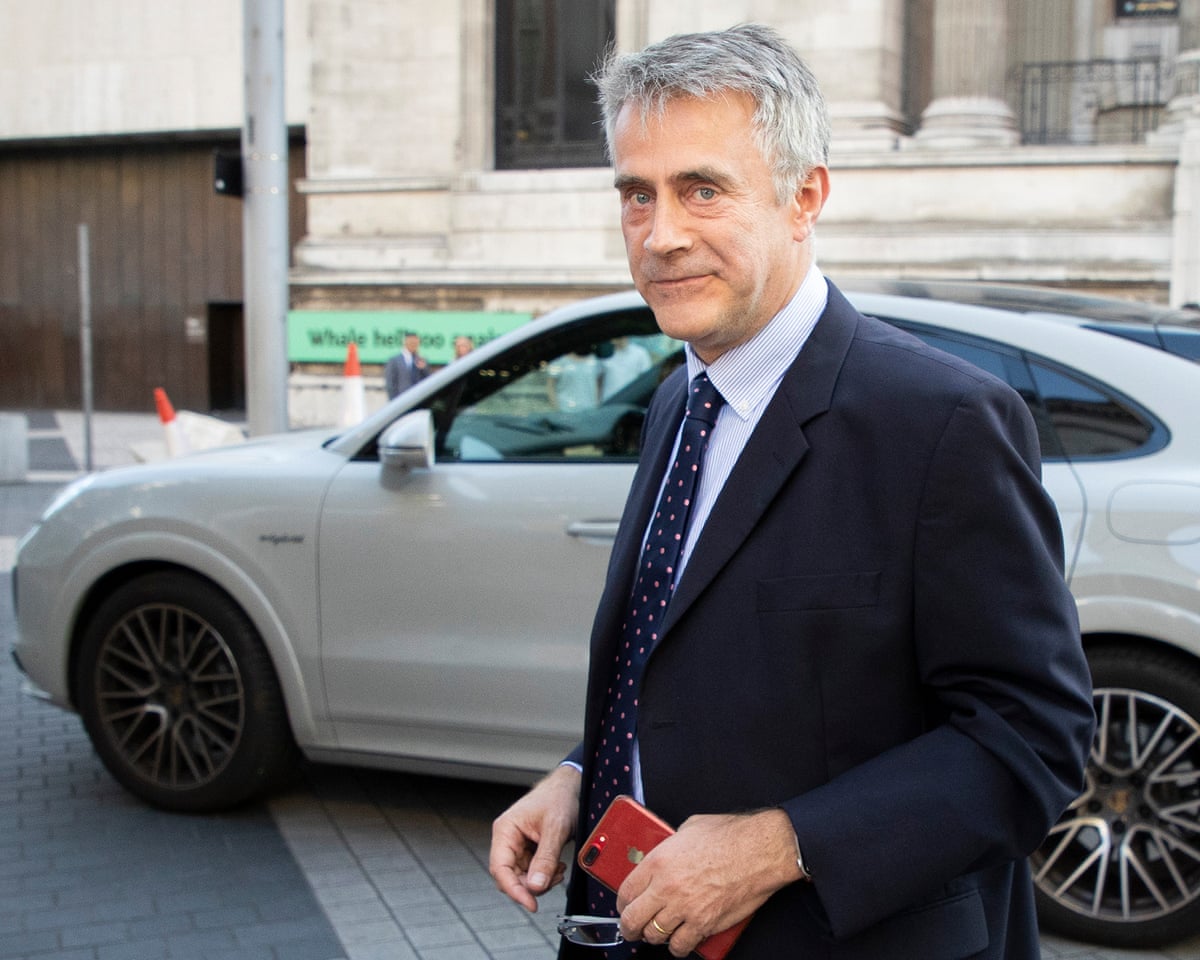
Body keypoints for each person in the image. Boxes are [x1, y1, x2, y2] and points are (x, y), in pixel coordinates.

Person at [489, 23, 1094, 960]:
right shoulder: (676, 403)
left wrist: (782, 846)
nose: (661, 235)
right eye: (635, 194)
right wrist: (584, 776)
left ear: (804, 195)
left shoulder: (941, 423)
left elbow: (1033, 738)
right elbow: (680, 658)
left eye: (702, 190)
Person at [384, 331, 427, 399]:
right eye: (411, 342)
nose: (413, 345)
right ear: (405, 342)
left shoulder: (422, 360)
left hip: (418, 399)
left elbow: (428, 380)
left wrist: (423, 369)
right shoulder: (394, 361)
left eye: (415, 343)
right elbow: (390, 384)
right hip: (401, 399)